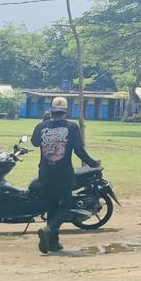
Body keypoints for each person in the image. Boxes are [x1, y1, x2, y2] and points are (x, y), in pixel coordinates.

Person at [30, 97, 100, 254]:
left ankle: (52, 243)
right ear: (66, 111)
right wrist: (93, 163)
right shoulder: (72, 127)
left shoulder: (42, 126)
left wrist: (43, 122)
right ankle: (49, 230)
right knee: (67, 207)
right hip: (64, 174)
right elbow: (79, 150)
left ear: (51, 110)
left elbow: (34, 142)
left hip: (45, 173)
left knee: (52, 207)